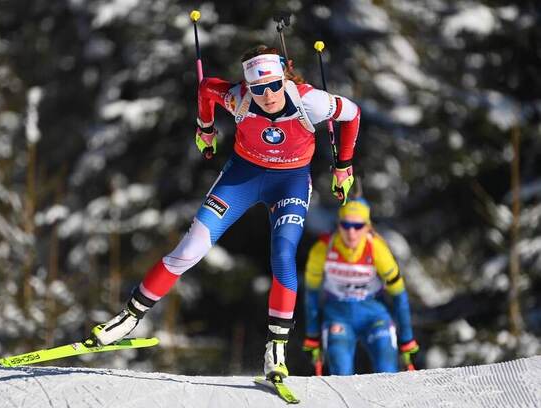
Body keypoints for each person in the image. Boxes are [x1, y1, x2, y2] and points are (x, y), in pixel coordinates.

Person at [91, 45, 361, 379]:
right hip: (242, 177)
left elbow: (352, 113)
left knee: (283, 255)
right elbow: (206, 89)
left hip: (289, 184)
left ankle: (275, 349)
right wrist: (204, 127)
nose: (268, 95)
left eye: (274, 85)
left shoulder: (310, 101)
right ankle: (129, 317)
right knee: (190, 248)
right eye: (259, 89)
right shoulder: (239, 98)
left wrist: (344, 166)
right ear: (249, 86)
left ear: (284, 77)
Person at [302, 198, 419, 375]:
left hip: (374, 316)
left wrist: (407, 338)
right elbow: (311, 294)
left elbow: (399, 295)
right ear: (338, 225)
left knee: (387, 367)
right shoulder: (323, 249)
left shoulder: (377, 249)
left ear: (367, 227)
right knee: (340, 371)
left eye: (358, 226)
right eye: (346, 225)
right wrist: (312, 335)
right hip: (338, 317)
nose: (351, 232)